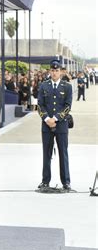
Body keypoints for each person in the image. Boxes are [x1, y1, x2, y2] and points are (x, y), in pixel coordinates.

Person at [37, 60, 73, 191]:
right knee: (46, 154)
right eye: (52, 70)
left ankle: (66, 182)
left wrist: (56, 118)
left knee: (63, 153)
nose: (54, 73)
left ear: (61, 72)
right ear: (49, 71)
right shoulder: (43, 86)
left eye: (57, 71)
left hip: (61, 125)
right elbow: (40, 105)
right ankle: (45, 181)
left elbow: (68, 106)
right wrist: (47, 118)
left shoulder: (67, 86)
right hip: (46, 125)